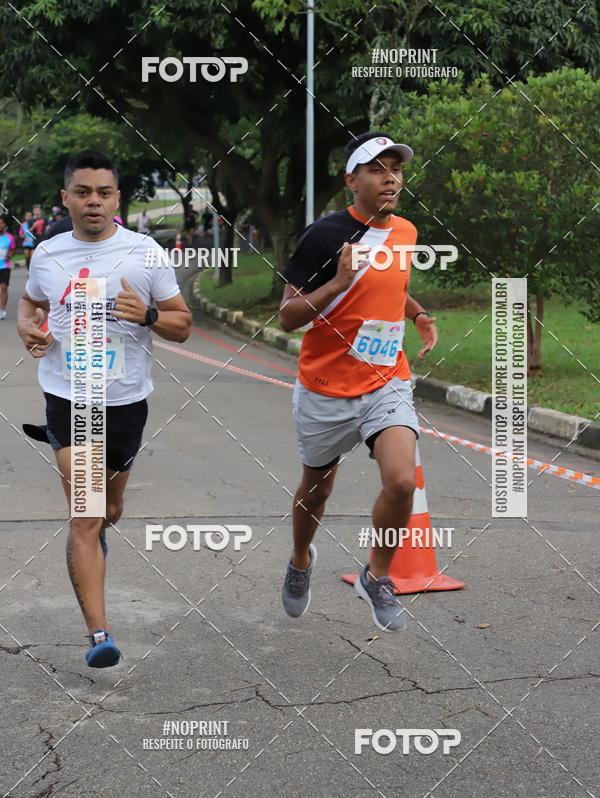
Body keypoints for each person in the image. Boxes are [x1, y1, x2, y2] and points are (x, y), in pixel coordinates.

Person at [16, 149, 192, 667]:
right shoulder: (47, 254)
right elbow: (31, 302)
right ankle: (100, 634)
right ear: (65, 197)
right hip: (70, 399)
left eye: (105, 192)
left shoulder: (145, 254)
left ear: (117, 198)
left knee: (109, 509)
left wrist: (151, 313)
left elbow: (181, 323)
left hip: (125, 402)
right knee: (87, 516)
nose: (94, 201)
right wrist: (29, 325)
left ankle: (95, 539)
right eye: (83, 192)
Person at [279, 131, 439, 632]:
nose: (390, 177)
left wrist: (418, 315)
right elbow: (287, 317)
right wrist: (337, 283)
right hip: (325, 387)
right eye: (377, 168)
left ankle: (377, 575)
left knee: (400, 480)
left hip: (386, 380)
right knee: (317, 491)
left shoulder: (407, 232)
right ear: (353, 180)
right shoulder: (324, 237)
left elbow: (395, 286)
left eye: (396, 168)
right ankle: (301, 557)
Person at [0, 216, 16, 319]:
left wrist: (10, 255)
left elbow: (13, 250)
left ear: (4, 225)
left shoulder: (9, 237)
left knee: (4, 288)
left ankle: (2, 310)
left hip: (5, 266)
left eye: (1, 223)